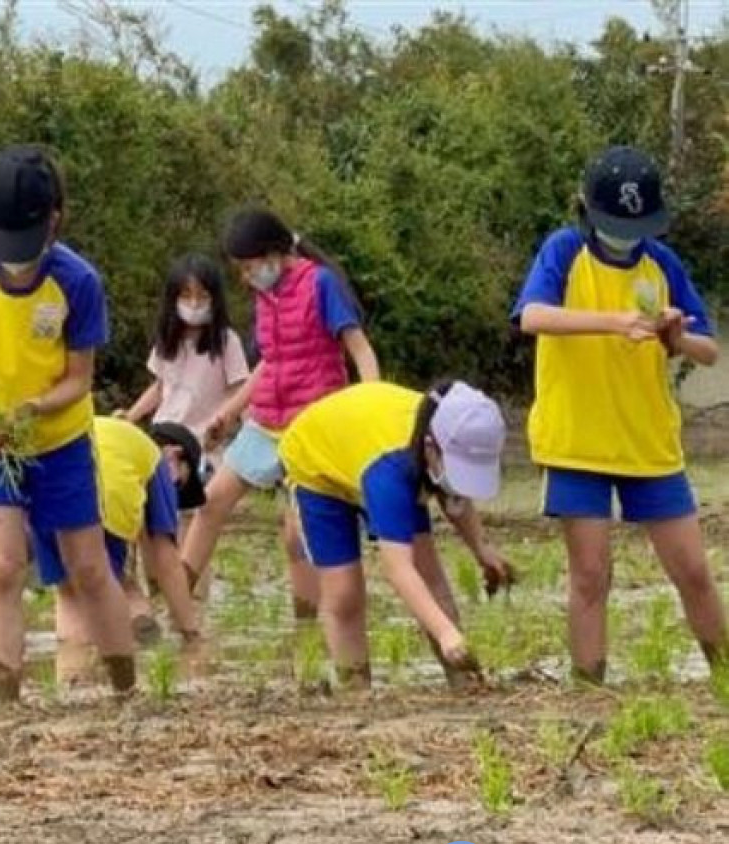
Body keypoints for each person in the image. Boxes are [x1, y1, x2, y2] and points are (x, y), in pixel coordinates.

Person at [0, 145, 135, 702]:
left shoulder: (77, 282)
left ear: (53, 223)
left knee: (87, 566)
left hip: (59, 439)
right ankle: (3, 696)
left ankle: (126, 688)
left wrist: (36, 408)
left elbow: (79, 379)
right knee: (1, 566)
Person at [513, 144, 727, 684]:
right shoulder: (563, 250)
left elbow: (708, 349)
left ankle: (725, 678)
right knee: (590, 575)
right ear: (588, 208)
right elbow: (533, 316)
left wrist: (675, 335)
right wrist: (614, 321)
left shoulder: (662, 264)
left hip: (647, 440)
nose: (627, 236)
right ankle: (590, 690)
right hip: (577, 441)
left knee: (694, 571)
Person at [180, 208, 381, 620]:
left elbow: (359, 349)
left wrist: (371, 406)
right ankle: (178, 605)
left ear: (273, 253)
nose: (246, 276)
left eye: (249, 266)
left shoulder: (320, 284)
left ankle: (306, 624)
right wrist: (227, 414)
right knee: (210, 502)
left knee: (296, 533)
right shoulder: (265, 295)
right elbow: (269, 362)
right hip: (267, 419)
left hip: (311, 423)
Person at [279, 380, 515, 689]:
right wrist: (447, 634)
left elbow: (456, 499)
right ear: (430, 447)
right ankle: (355, 687)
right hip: (318, 468)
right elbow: (398, 569)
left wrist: (482, 550)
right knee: (345, 591)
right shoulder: (391, 474)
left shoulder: (440, 435)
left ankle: (464, 680)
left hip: (369, 446)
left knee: (431, 572)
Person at [45, 417, 205, 659]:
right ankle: (137, 619)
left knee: (69, 591)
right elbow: (167, 562)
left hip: (47, 486)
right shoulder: (155, 460)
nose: (176, 494)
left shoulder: (113, 433)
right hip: (105, 497)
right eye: (180, 484)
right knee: (116, 582)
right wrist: (191, 632)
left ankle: (71, 678)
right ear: (174, 454)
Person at [120, 253, 250, 455]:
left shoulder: (227, 341)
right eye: (186, 295)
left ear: (215, 299)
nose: (195, 303)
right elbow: (160, 386)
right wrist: (129, 418)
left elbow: (241, 391)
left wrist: (250, 435)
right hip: (163, 436)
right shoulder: (168, 338)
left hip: (204, 444)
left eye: (203, 296)